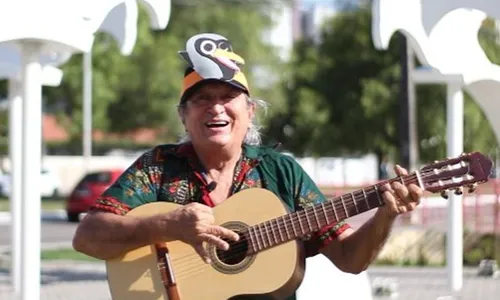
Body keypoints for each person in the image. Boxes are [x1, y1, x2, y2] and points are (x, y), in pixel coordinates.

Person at [72, 33, 423, 299]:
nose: (216, 108)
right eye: (202, 99)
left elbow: (349, 258)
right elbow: (87, 237)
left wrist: (385, 215)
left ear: (250, 111)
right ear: (184, 116)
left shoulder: (281, 173)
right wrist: (168, 225)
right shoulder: (158, 167)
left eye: (228, 97)